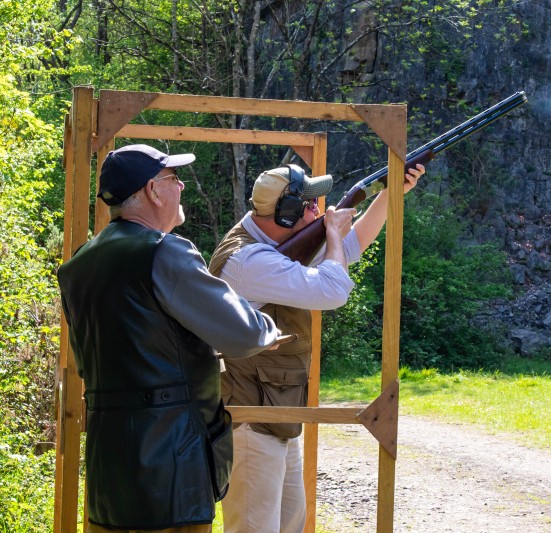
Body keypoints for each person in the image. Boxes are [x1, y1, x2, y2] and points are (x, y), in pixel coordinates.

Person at [57, 144, 281, 533]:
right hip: (172, 469)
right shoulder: (165, 252)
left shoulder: (78, 264)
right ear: (152, 190)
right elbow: (245, 334)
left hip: (108, 472)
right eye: (173, 179)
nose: (181, 187)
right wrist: (269, 328)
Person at [208, 162, 425, 532]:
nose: (318, 209)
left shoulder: (269, 243)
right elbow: (333, 289)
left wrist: (390, 195)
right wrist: (334, 236)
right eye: (309, 205)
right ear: (287, 214)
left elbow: (350, 249)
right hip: (248, 419)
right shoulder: (250, 260)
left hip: (275, 413)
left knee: (291, 522)